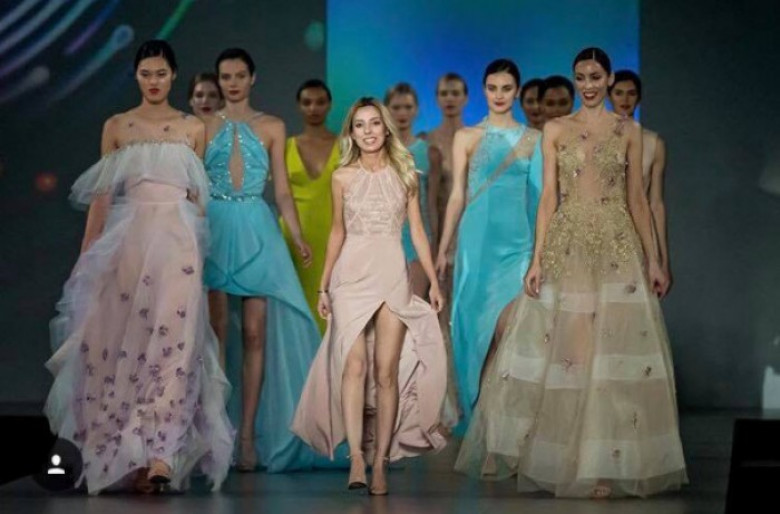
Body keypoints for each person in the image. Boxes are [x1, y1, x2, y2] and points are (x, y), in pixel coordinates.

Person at [455, 48, 687, 499]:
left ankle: (603, 465)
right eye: (581, 77)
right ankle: (566, 459)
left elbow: (638, 200)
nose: (588, 85)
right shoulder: (557, 129)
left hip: (617, 242)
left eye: (596, 76)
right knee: (571, 353)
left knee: (612, 354)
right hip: (568, 241)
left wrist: (655, 259)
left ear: (609, 78)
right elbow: (548, 198)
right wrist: (537, 259)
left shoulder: (628, 130)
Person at [44, 40, 233, 495]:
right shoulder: (118, 126)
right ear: (136, 75)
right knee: (121, 345)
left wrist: (199, 249)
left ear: (174, 75)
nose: (153, 81)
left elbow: (198, 197)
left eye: (161, 73)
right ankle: (128, 454)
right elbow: (101, 200)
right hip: (129, 241)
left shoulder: (192, 127)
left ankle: (162, 452)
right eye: (146, 73)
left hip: (178, 244)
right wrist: (86, 258)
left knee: (176, 343)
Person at [292, 97, 448, 496]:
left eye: (374, 123)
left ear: (385, 128)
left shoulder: (406, 174)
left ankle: (380, 462)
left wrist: (433, 281)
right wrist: (324, 285)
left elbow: (417, 231)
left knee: (386, 371)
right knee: (354, 364)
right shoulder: (342, 177)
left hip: (391, 272)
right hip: (350, 276)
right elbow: (337, 232)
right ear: (352, 133)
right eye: (359, 125)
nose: (368, 131)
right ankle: (357, 458)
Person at [203, 48, 320, 472]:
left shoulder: (273, 126)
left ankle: (248, 436)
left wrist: (297, 234)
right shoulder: (201, 125)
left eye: (239, 75)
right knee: (215, 334)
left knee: (254, 335)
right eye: (225, 76)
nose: (232, 83)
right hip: (215, 226)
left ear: (253, 78)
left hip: (256, 227)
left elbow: (283, 189)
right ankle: (216, 433)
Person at [436, 59, 543, 430]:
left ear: (518, 91)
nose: (499, 95)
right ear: (483, 90)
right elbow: (456, 196)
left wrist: (540, 253)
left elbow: (539, 198)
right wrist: (444, 248)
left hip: (518, 245)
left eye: (507, 88)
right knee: (472, 329)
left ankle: (502, 419)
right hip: (476, 245)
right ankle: (481, 417)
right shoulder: (466, 136)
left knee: (509, 327)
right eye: (493, 88)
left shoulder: (534, 139)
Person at [281, 79, 340, 334]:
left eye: (320, 102)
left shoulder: (346, 146)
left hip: (333, 235)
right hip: (294, 238)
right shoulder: (285, 147)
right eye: (307, 102)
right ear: (299, 106)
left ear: (330, 105)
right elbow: (281, 194)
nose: (313, 108)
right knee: (296, 310)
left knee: (333, 308)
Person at [608, 70, 671, 286]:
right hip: (603, 230)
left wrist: (664, 261)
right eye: (618, 93)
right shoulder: (595, 140)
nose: (625, 99)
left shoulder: (653, 143)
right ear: (609, 96)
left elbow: (656, 204)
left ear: (639, 97)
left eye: (631, 93)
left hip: (639, 232)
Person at [385, 82, 442, 297]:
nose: (402, 113)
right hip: (384, 240)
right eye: (396, 107)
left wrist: (435, 246)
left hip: (418, 240)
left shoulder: (430, 154)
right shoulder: (375, 153)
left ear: (416, 110)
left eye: (408, 107)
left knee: (413, 306)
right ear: (386, 110)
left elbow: (432, 205)